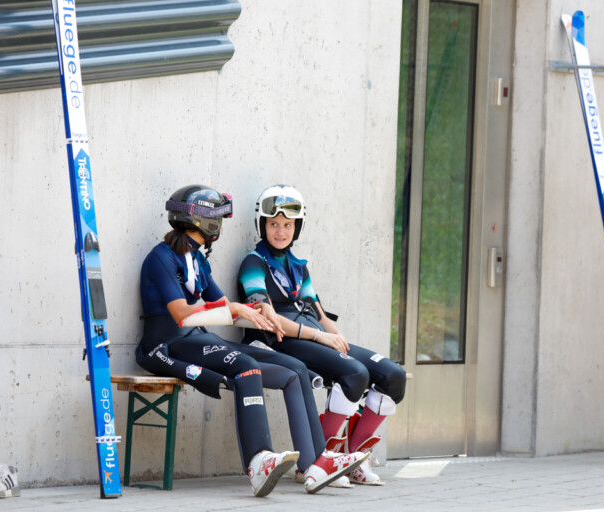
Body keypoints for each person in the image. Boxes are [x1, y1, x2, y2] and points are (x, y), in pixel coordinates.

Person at [136, 184, 366, 497]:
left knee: (293, 368)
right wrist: (231, 309)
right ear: (206, 222)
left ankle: (315, 464)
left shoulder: (197, 260)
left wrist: (256, 314)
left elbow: (226, 307)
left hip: (198, 337)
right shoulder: (161, 257)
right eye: (219, 219)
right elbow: (181, 314)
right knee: (246, 366)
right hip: (168, 343)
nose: (221, 226)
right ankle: (259, 462)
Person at [237, 184, 407, 486]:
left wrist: (338, 339)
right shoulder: (254, 263)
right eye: (273, 224)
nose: (280, 231)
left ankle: (351, 460)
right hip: (280, 341)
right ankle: (317, 462)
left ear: (296, 227)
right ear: (262, 225)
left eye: (287, 225)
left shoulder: (298, 267)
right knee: (354, 374)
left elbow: (320, 314)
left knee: (392, 375)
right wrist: (319, 338)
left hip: (313, 335)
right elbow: (267, 318)